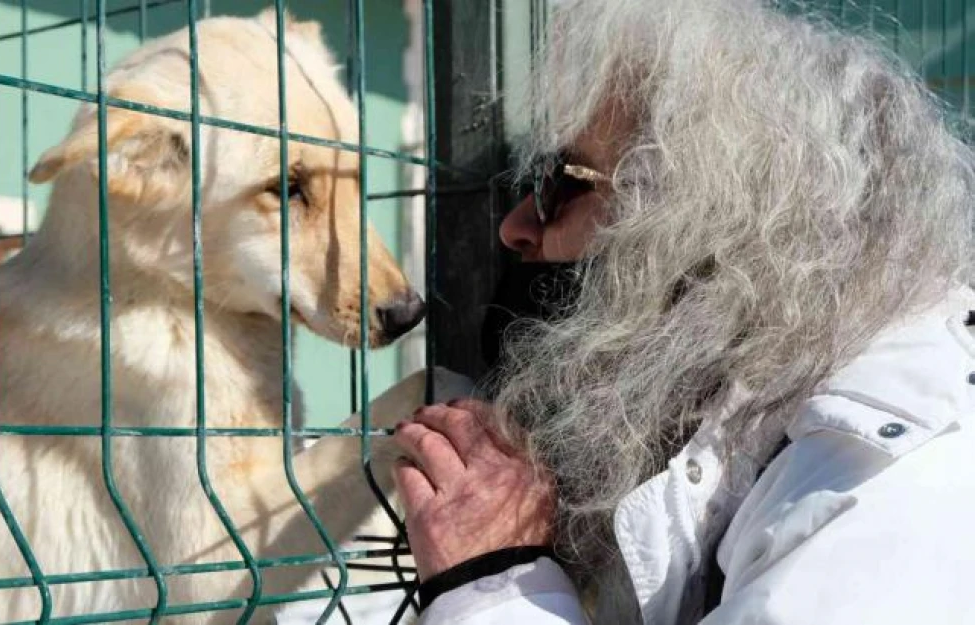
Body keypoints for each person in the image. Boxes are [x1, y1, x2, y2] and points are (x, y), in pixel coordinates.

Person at [392, 0, 975, 623]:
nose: (513, 228)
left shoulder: (876, 478)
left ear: (710, 212)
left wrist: (495, 583)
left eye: (559, 183)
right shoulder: (745, 418)